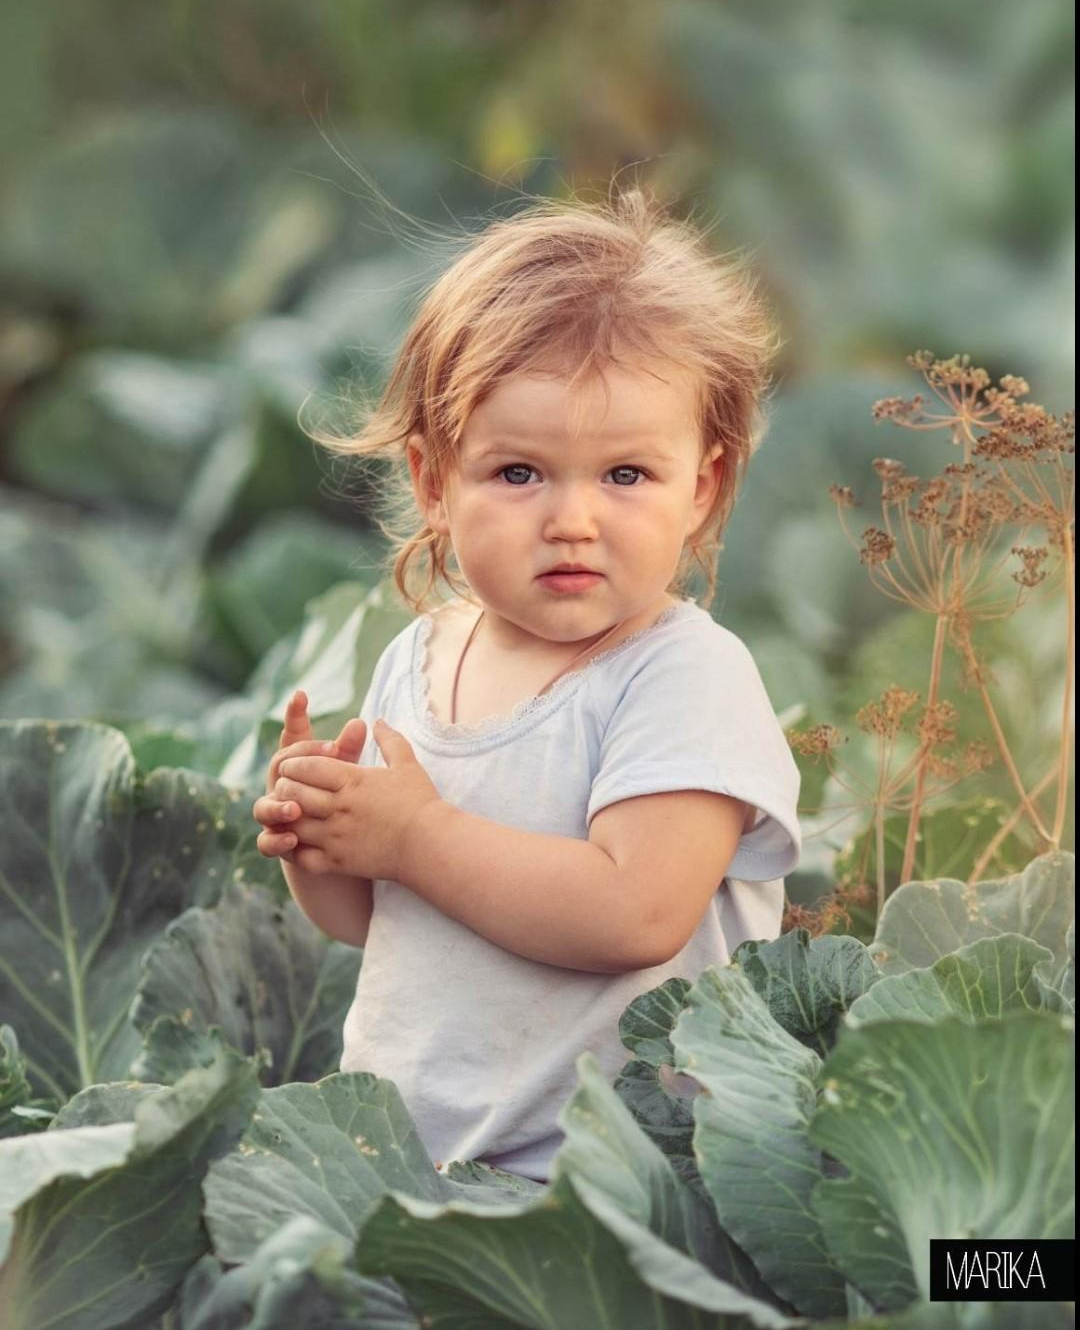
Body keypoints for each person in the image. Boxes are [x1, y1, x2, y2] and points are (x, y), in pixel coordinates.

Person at [251, 185, 801, 1184]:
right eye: (518, 473)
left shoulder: (684, 673)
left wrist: (412, 833)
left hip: (606, 1180)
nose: (573, 518)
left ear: (704, 486)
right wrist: (324, 838)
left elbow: (636, 912)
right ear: (432, 479)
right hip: (414, 1160)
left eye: (626, 474)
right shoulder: (414, 661)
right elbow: (383, 919)